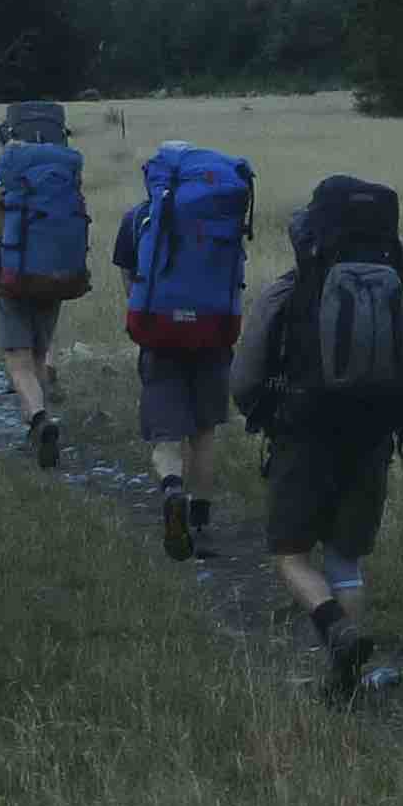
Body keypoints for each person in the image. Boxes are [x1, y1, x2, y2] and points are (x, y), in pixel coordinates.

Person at [232, 174, 403, 698]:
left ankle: (335, 628)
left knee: (290, 553)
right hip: (374, 433)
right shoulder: (392, 286)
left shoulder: (290, 290)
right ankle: (349, 680)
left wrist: (255, 410)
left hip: (305, 433)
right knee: (345, 556)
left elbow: (247, 372)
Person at [114, 139, 255, 560]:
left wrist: (146, 314)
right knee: (204, 432)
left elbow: (128, 274)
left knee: (165, 433)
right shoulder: (221, 221)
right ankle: (201, 524)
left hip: (159, 335)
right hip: (214, 335)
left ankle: (172, 489)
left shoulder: (139, 218)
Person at [0, 101, 93, 468]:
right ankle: (37, 422)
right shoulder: (64, 191)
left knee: (18, 361)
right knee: (39, 355)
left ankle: (39, 419)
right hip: (55, 283)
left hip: (11, 287)